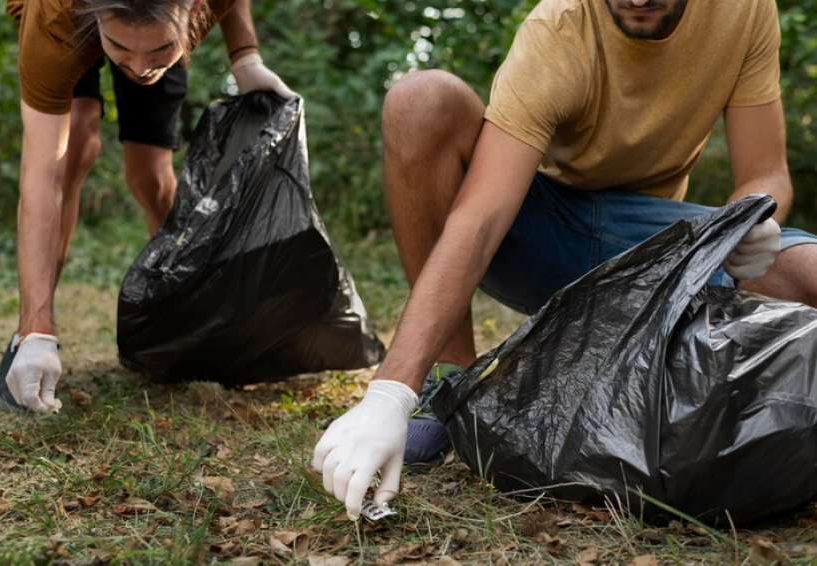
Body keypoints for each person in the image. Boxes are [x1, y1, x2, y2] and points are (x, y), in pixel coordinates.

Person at [313, 0, 817, 519]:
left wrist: (753, 218)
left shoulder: (745, 11)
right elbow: (481, 218)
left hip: (657, 250)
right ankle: (451, 386)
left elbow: (766, 171)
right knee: (420, 99)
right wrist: (391, 391)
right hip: (539, 229)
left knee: (807, 270)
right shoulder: (559, 28)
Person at [0, 0, 295, 414]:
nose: (138, 67)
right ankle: (31, 337)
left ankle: (186, 320)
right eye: (121, 48)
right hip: (69, 27)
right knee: (76, 145)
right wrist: (35, 331)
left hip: (152, 22)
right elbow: (41, 176)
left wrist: (245, 57)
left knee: (150, 179)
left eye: (158, 51)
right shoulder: (55, 16)